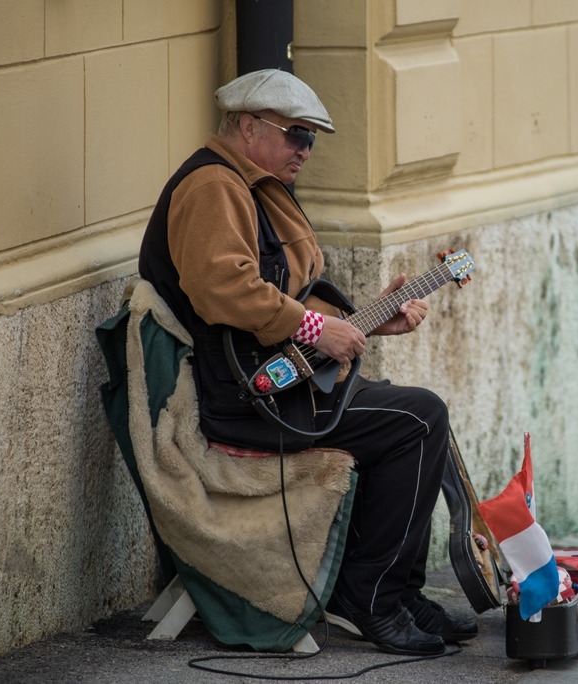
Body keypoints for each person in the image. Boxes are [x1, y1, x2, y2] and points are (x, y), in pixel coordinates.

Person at [137, 69, 477, 656]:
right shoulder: (214, 186)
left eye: (312, 139)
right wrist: (319, 327)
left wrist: (370, 319)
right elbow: (223, 288)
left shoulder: (256, 186)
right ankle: (370, 595)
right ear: (248, 126)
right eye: (296, 135)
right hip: (245, 402)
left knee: (409, 415)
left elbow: (292, 293)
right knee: (418, 420)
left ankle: (397, 591)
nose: (306, 150)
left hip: (274, 386)